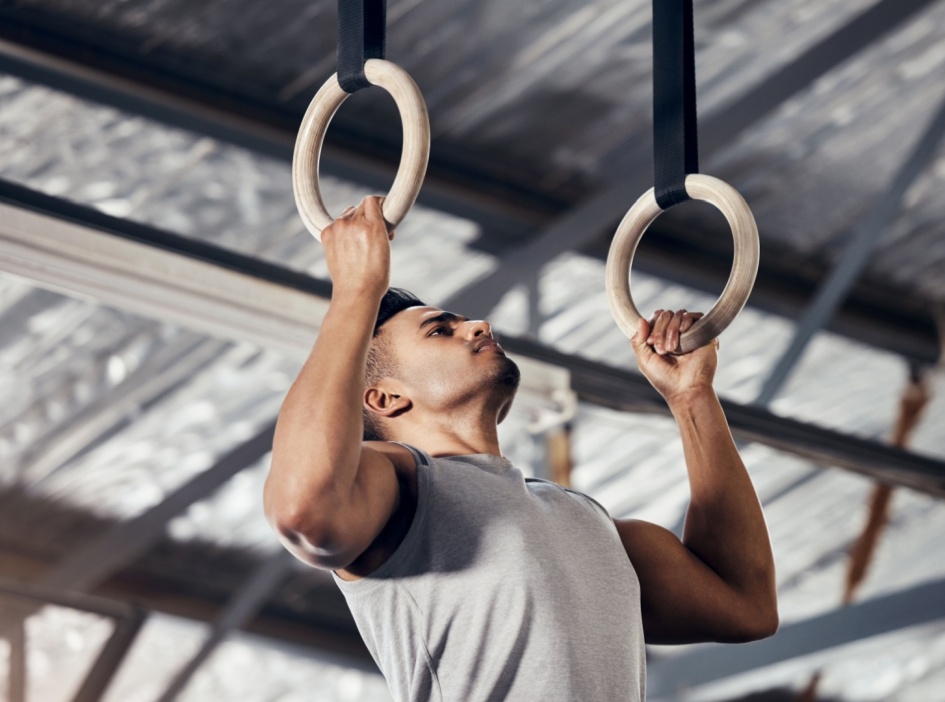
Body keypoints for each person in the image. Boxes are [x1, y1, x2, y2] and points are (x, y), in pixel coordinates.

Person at [262, 195, 777, 701]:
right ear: (387, 397)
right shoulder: (399, 483)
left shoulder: (583, 519)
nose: (479, 325)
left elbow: (745, 604)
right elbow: (305, 509)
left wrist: (692, 399)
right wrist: (356, 292)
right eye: (440, 330)